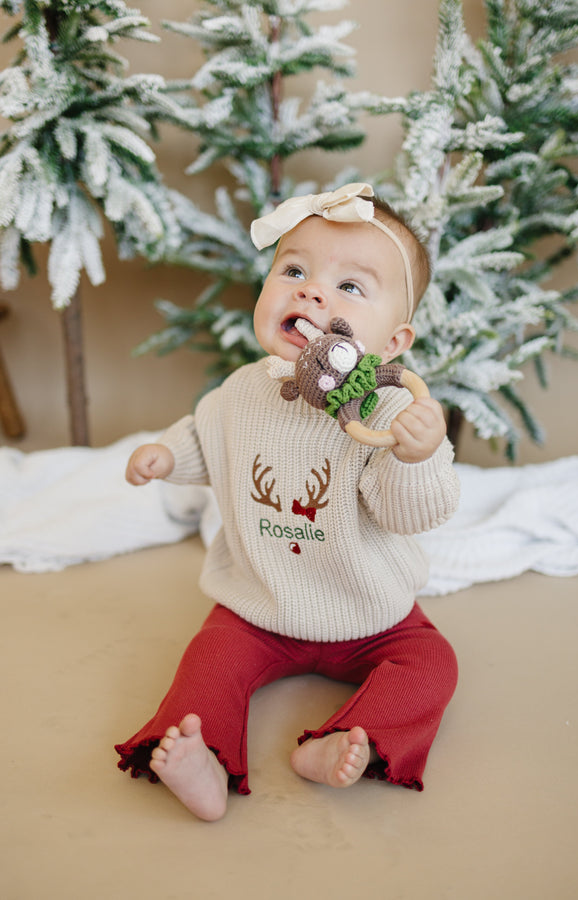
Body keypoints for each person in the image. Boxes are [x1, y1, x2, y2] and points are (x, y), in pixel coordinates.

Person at [115, 182, 460, 821]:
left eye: (350, 287)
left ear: (392, 344)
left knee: (432, 660)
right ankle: (205, 758)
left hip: (371, 613)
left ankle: (336, 743)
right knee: (208, 658)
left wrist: (417, 455)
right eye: (294, 270)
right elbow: (207, 435)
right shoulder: (242, 390)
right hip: (260, 604)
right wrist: (167, 456)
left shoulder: (388, 411)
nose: (310, 291)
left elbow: (407, 513)